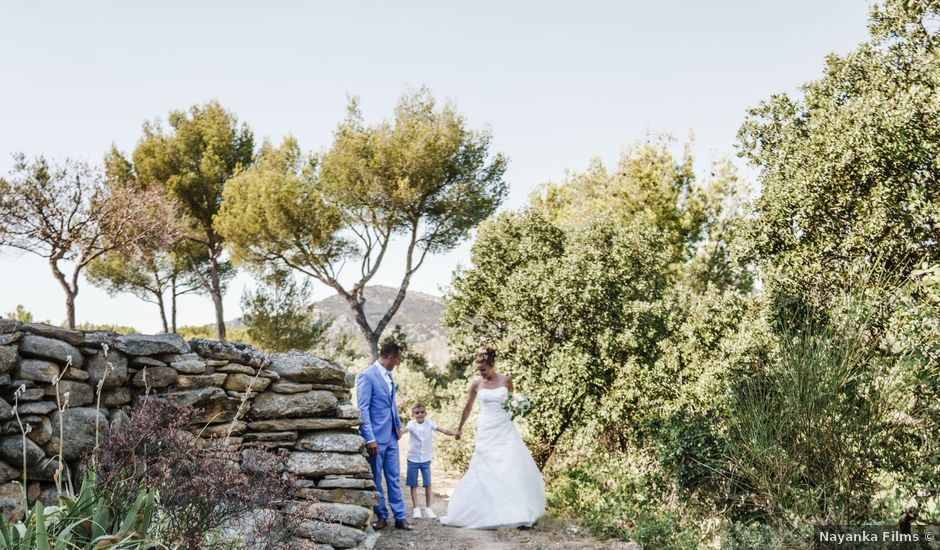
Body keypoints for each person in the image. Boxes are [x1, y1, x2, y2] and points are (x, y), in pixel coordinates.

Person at [441, 346, 546, 529]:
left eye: (483, 370)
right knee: (485, 469)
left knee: (509, 466)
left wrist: (521, 408)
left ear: (492, 365)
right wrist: (459, 429)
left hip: (505, 428)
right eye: (478, 370)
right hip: (486, 430)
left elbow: (512, 403)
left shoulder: (506, 381)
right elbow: (468, 408)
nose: (481, 373)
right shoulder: (475, 384)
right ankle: (485, 512)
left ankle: (515, 512)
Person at [356, 342, 413, 531]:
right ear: (391, 357)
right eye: (397, 359)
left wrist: (398, 426)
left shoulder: (389, 376)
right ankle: (381, 516)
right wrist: (370, 438)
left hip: (391, 437)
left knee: (394, 477)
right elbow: (363, 408)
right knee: (376, 478)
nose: (397, 363)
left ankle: (400, 517)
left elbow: (392, 405)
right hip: (376, 439)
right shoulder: (367, 376)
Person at [399, 402, 457, 519]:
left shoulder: (429, 424)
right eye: (417, 413)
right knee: (413, 484)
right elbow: (403, 431)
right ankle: (416, 508)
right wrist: (398, 433)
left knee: (428, 484)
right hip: (413, 459)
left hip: (425, 459)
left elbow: (443, 430)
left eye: (422, 412)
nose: (420, 414)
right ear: (413, 415)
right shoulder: (411, 424)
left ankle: (428, 508)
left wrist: (454, 433)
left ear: (426, 413)